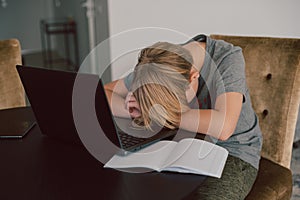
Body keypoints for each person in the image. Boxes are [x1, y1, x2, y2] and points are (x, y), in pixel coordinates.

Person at [104, 34, 262, 199]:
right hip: (178, 143)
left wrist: (156, 114)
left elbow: (223, 127)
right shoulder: (157, 66)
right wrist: (130, 109)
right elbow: (105, 92)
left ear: (193, 76)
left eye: (173, 106)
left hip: (233, 150)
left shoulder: (227, 58)